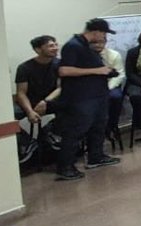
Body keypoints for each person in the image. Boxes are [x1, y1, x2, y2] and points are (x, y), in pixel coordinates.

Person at [54, 18, 121, 180]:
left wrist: (107, 71)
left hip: (97, 95)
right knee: (76, 131)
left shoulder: (86, 46)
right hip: (81, 97)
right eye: (103, 33)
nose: (103, 37)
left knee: (98, 127)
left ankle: (96, 156)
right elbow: (64, 71)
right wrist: (98, 71)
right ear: (95, 31)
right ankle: (66, 167)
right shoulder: (73, 45)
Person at [14, 34, 61, 125]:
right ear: (38, 49)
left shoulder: (60, 64)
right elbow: (21, 93)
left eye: (56, 45)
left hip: (50, 100)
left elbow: (60, 87)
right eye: (51, 46)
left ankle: (51, 132)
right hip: (30, 102)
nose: (55, 48)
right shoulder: (24, 67)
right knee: (11, 115)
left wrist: (45, 101)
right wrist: (29, 111)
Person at [99, 39, 126, 139]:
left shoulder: (114, 55)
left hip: (111, 83)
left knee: (115, 97)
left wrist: (108, 88)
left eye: (101, 42)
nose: (98, 45)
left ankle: (111, 125)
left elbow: (120, 74)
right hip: (93, 86)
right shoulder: (86, 56)